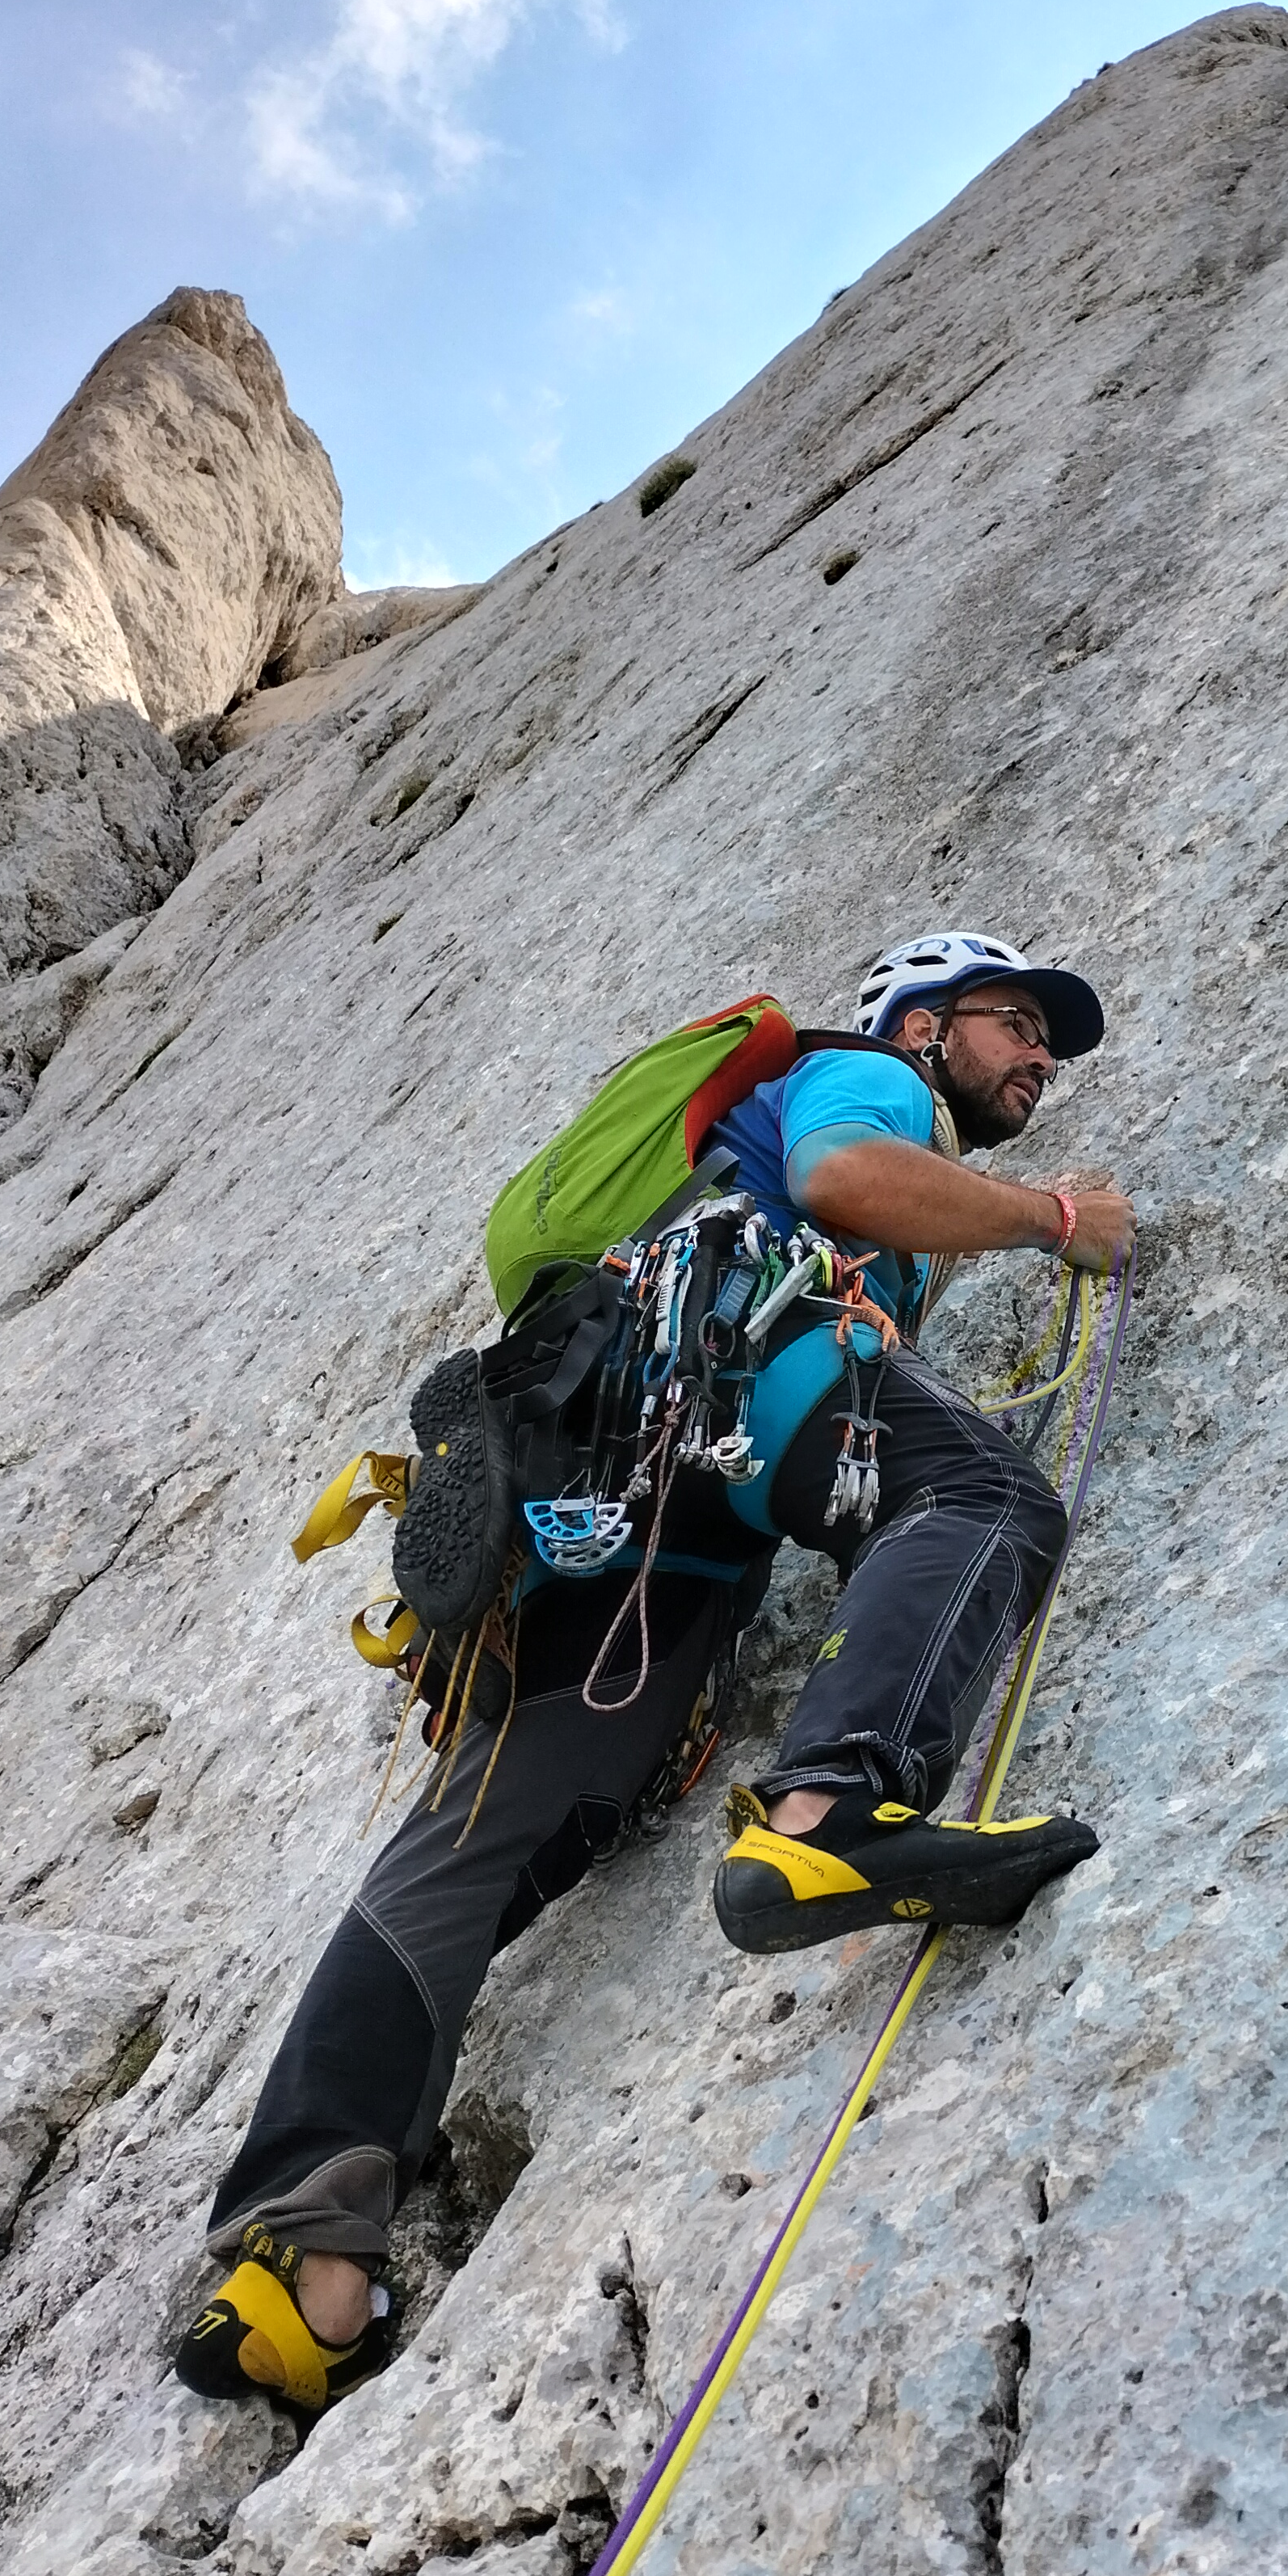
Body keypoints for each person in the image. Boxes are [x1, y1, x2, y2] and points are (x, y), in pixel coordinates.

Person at [173, 932, 1136, 2416]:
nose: (1041, 1059)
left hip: (613, 1470)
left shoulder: (848, 1094)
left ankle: (301, 2274)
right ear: (932, 1024)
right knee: (986, 1501)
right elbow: (837, 1187)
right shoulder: (870, 1075)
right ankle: (830, 1817)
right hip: (732, 1355)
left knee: (477, 1844)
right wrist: (1056, 1217)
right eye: (1019, 1026)